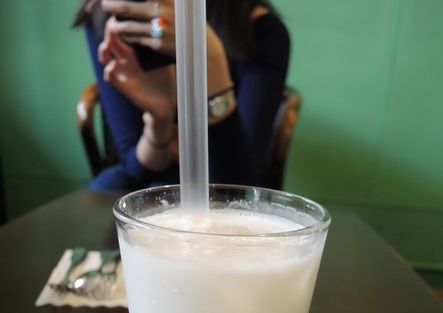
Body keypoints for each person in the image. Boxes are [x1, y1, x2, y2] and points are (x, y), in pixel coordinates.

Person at [73, 0, 290, 191]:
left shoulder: (260, 30)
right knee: (111, 184)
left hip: (221, 184)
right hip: (149, 169)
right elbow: (134, 165)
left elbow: (239, 186)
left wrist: (211, 68)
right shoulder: (109, 14)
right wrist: (160, 121)